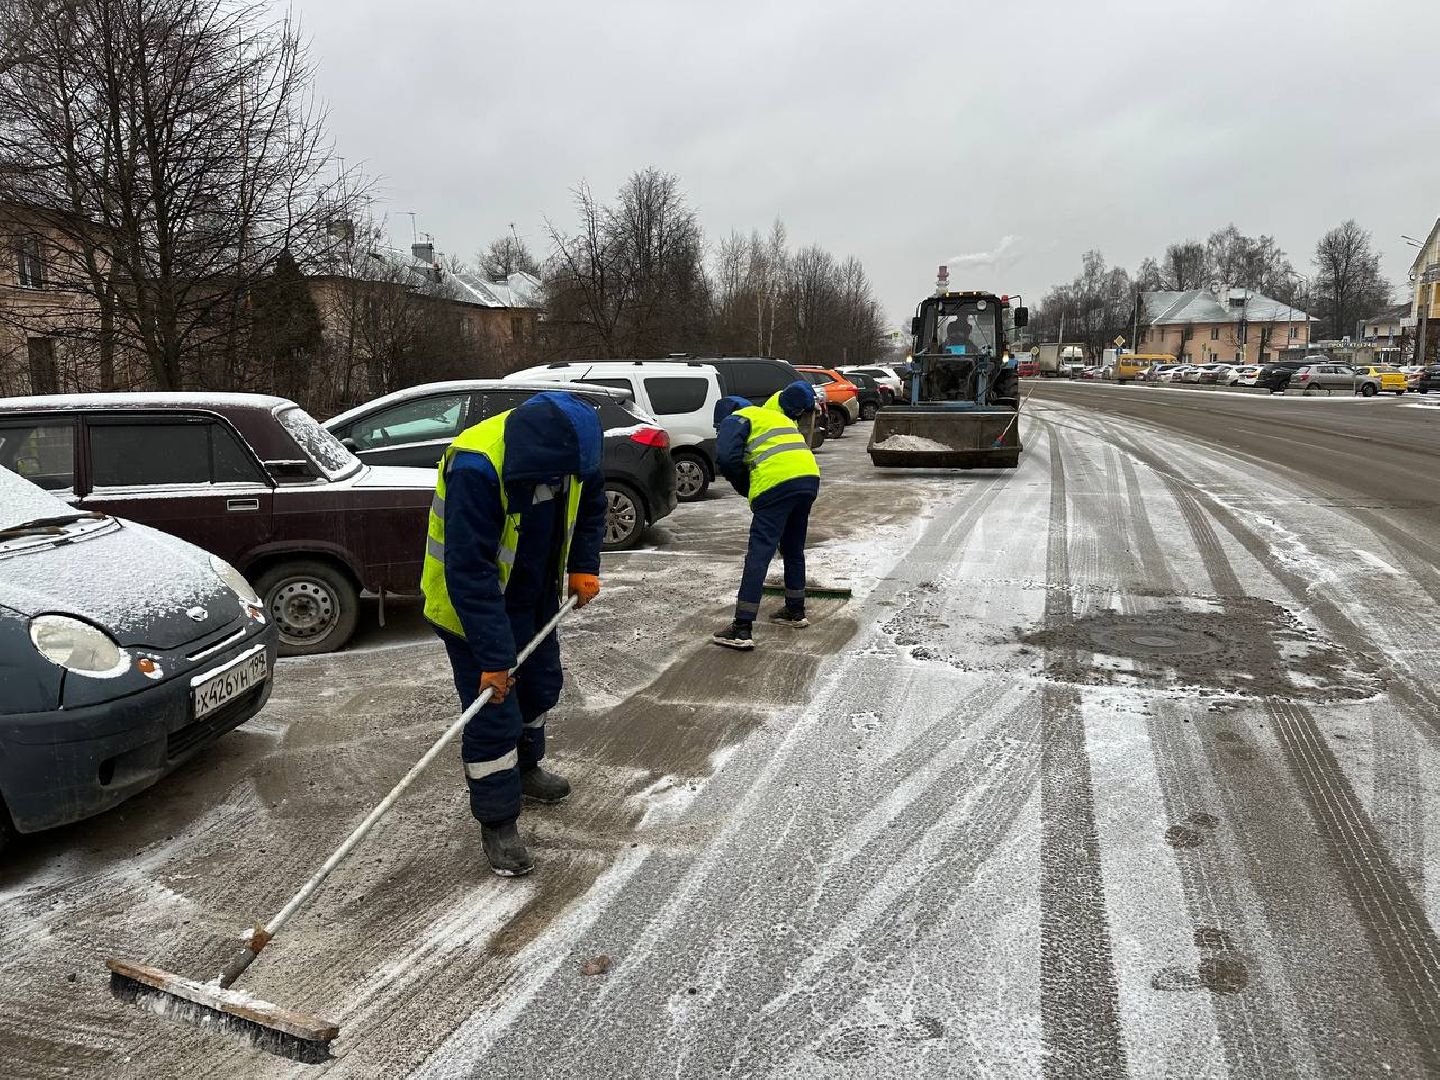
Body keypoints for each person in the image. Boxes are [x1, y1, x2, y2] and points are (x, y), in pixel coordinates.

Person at [420, 391, 606, 877]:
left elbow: (591, 504)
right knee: (493, 715)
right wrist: (493, 657)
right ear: (537, 456)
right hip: (471, 611)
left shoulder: (573, 454)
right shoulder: (476, 467)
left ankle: (525, 771)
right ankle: (498, 820)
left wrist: (583, 566)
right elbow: (469, 572)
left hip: (534, 597)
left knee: (541, 688)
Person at [711, 380, 822, 650]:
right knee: (793, 549)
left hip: (777, 485)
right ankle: (795, 611)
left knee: (759, 554)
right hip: (808, 479)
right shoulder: (773, 417)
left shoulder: (737, 417)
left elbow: (726, 459)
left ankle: (741, 627)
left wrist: (747, 488)